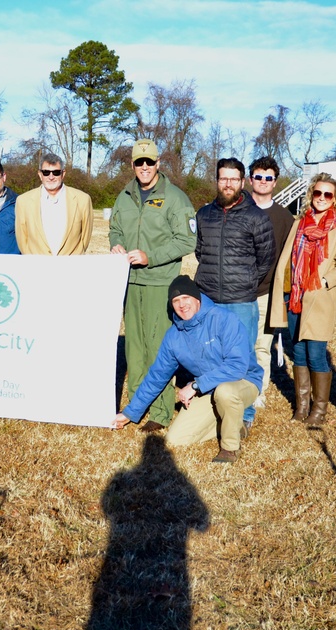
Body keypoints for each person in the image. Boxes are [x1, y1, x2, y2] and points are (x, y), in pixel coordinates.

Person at [112, 276, 261, 464]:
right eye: (176, 301)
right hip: (209, 388)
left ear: (197, 298)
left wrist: (196, 385)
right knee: (176, 438)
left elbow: (237, 366)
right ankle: (233, 423)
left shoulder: (224, 319)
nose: (182, 305)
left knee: (225, 392)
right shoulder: (174, 336)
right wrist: (129, 413)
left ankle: (229, 448)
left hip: (242, 381)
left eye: (186, 298)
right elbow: (157, 376)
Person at [110, 138, 197, 433]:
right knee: (134, 346)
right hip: (130, 282)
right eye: (139, 162)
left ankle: (160, 411)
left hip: (160, 282)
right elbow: (115, 229)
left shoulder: (174, 197)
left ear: (159, 163)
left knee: (159, 348)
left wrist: (151, 257)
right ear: (133, 165)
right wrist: (116, 245)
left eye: (150, 162)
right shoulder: (124, 196)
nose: (144, 167)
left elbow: (187, 240)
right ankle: (136, 405)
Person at [194, 157, 275, 434]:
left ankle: (246, 413)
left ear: (242, 182)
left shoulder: (256, 217)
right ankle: (213, 406)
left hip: (241, 300)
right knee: (209, 352)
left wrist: (246, 281)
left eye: (233, 179)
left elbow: (265, 260)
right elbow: (199, 252)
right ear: (217, 180)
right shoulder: (204, 214)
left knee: (244, 356)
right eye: (222, 178)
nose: (227, 184)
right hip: (208, 298)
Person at [269, 172, 336, 426]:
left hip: (319, 299)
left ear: (335, 199)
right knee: (298, 352)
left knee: (316, 354)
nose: (322, 198)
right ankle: (302, 405)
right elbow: (287, 259)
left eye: (328, 194)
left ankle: (319, 410)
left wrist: (324, 282)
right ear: (311, 195)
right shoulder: (299, 223)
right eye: (318, 193)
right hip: (295, 297)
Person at [247, 156, 295, 411]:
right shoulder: (238, 206)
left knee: (261, 346)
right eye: (258, 176)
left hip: (266, 292)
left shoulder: (284, 217)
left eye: (268, 178)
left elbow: (288, 259)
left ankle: (257, 391)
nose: (263, 182)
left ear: (275, 182)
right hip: (234, 291)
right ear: (249, 179)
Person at [15, 153, 93, 255]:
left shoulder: (83, 200)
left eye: (56, 172)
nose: (51, 177)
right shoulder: (23, 201)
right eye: (46, 172)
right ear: (40, 174)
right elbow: (22, 241)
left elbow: (85, 239)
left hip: (71, 268)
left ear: (63, 174)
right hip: (36, 268)